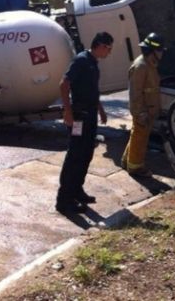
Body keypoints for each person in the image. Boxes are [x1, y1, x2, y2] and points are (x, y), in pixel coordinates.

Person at [56, 31, 114, 216]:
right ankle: (64, 200)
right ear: (101, 45)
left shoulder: (93, 63)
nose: (109, 54)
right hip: (79, 116)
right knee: (75, 156)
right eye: (109, 49)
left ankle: (77, 191)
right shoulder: (81, 60)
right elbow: (64, 84)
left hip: (89, 116)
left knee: (86, 154)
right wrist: (68, 111)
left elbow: (92, 90)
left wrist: (101, 110)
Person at [121, 32, 165, 177]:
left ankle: (127, 160)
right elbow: (135, 93)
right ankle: (135, 168)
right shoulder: (141, 66)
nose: (162, 53)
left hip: (148, 110)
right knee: (139, 139)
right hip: (143, 112)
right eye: (160, 50)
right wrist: (141, 113)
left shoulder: (150, 64)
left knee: (137, 136)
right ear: (152, 51)